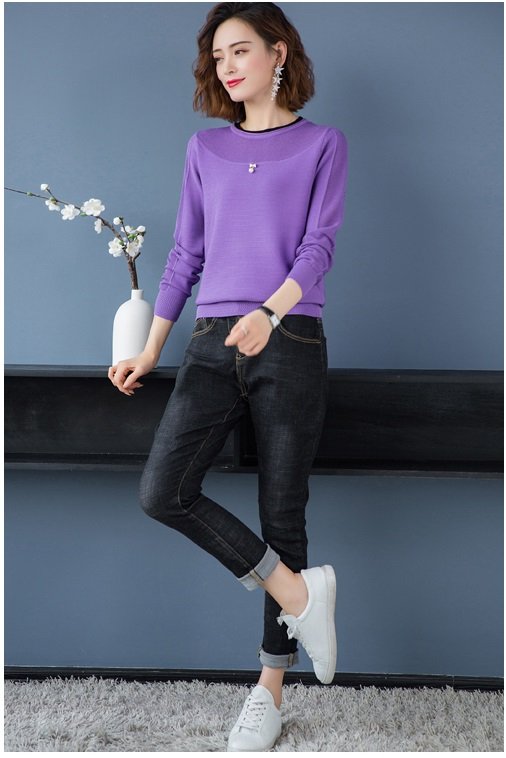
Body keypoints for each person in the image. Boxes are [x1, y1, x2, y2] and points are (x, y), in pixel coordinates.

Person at [109, 2, 348, 751]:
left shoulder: (323, 144)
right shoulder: (205, 149)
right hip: (213, 342)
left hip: (291, 337)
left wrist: (270, 314)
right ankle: (298, 592)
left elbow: (318, 247)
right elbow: (186, 253)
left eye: (240, 50)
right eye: (218, 56)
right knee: (164, 491)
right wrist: (152, 348)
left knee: (283, 513)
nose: (227, 66)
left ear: (280, 53)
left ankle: (269, 691)